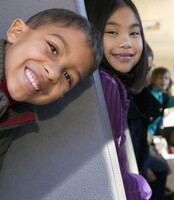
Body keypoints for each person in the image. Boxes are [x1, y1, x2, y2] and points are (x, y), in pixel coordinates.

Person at [0, 8, 102, 169]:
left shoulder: (16, 115)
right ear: (17, 32)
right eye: (53, 48)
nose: (54, 73)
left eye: (68, 77)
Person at [85, 0, 152, 199]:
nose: (126, 42)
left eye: (134, 33)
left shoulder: (101, 80)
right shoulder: (107, 85)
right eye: (112, 32)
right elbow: (110, 172)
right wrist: (140, 187)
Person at [128, 44, 174, 200]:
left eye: (148, 70)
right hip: (135, 159)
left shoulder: (144, 98)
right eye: (145, 70)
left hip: (143, 147)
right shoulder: (135, 102)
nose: (146, 76)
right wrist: (143, 168)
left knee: (162, 167)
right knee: (161, 168)